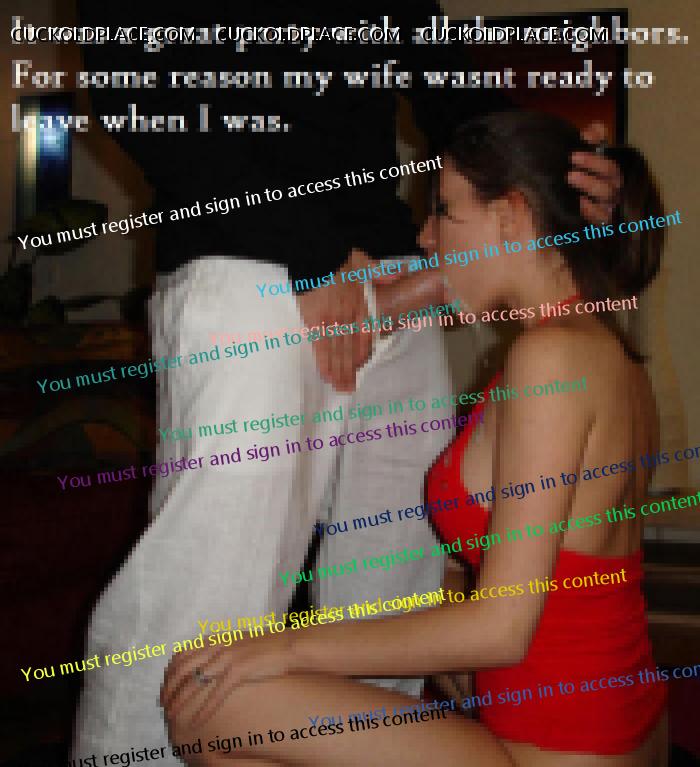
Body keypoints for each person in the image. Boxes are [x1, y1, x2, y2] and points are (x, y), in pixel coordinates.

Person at [72, 2, 622, 761]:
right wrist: (307, 248)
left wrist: (562, 178)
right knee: (211, 594)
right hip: (248, 260)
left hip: (382, 271)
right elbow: (142, 93)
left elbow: (447, 83)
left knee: (394, 578)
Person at [162, 110, 668, 767]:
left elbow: (502, 628)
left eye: (445, 211)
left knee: (215, 709)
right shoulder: (608, 353)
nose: (427, 238)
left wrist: (284, 646)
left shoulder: (551, 359)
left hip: (556, 749)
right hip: (613, 730)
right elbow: (558, 601)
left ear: (511, 216)